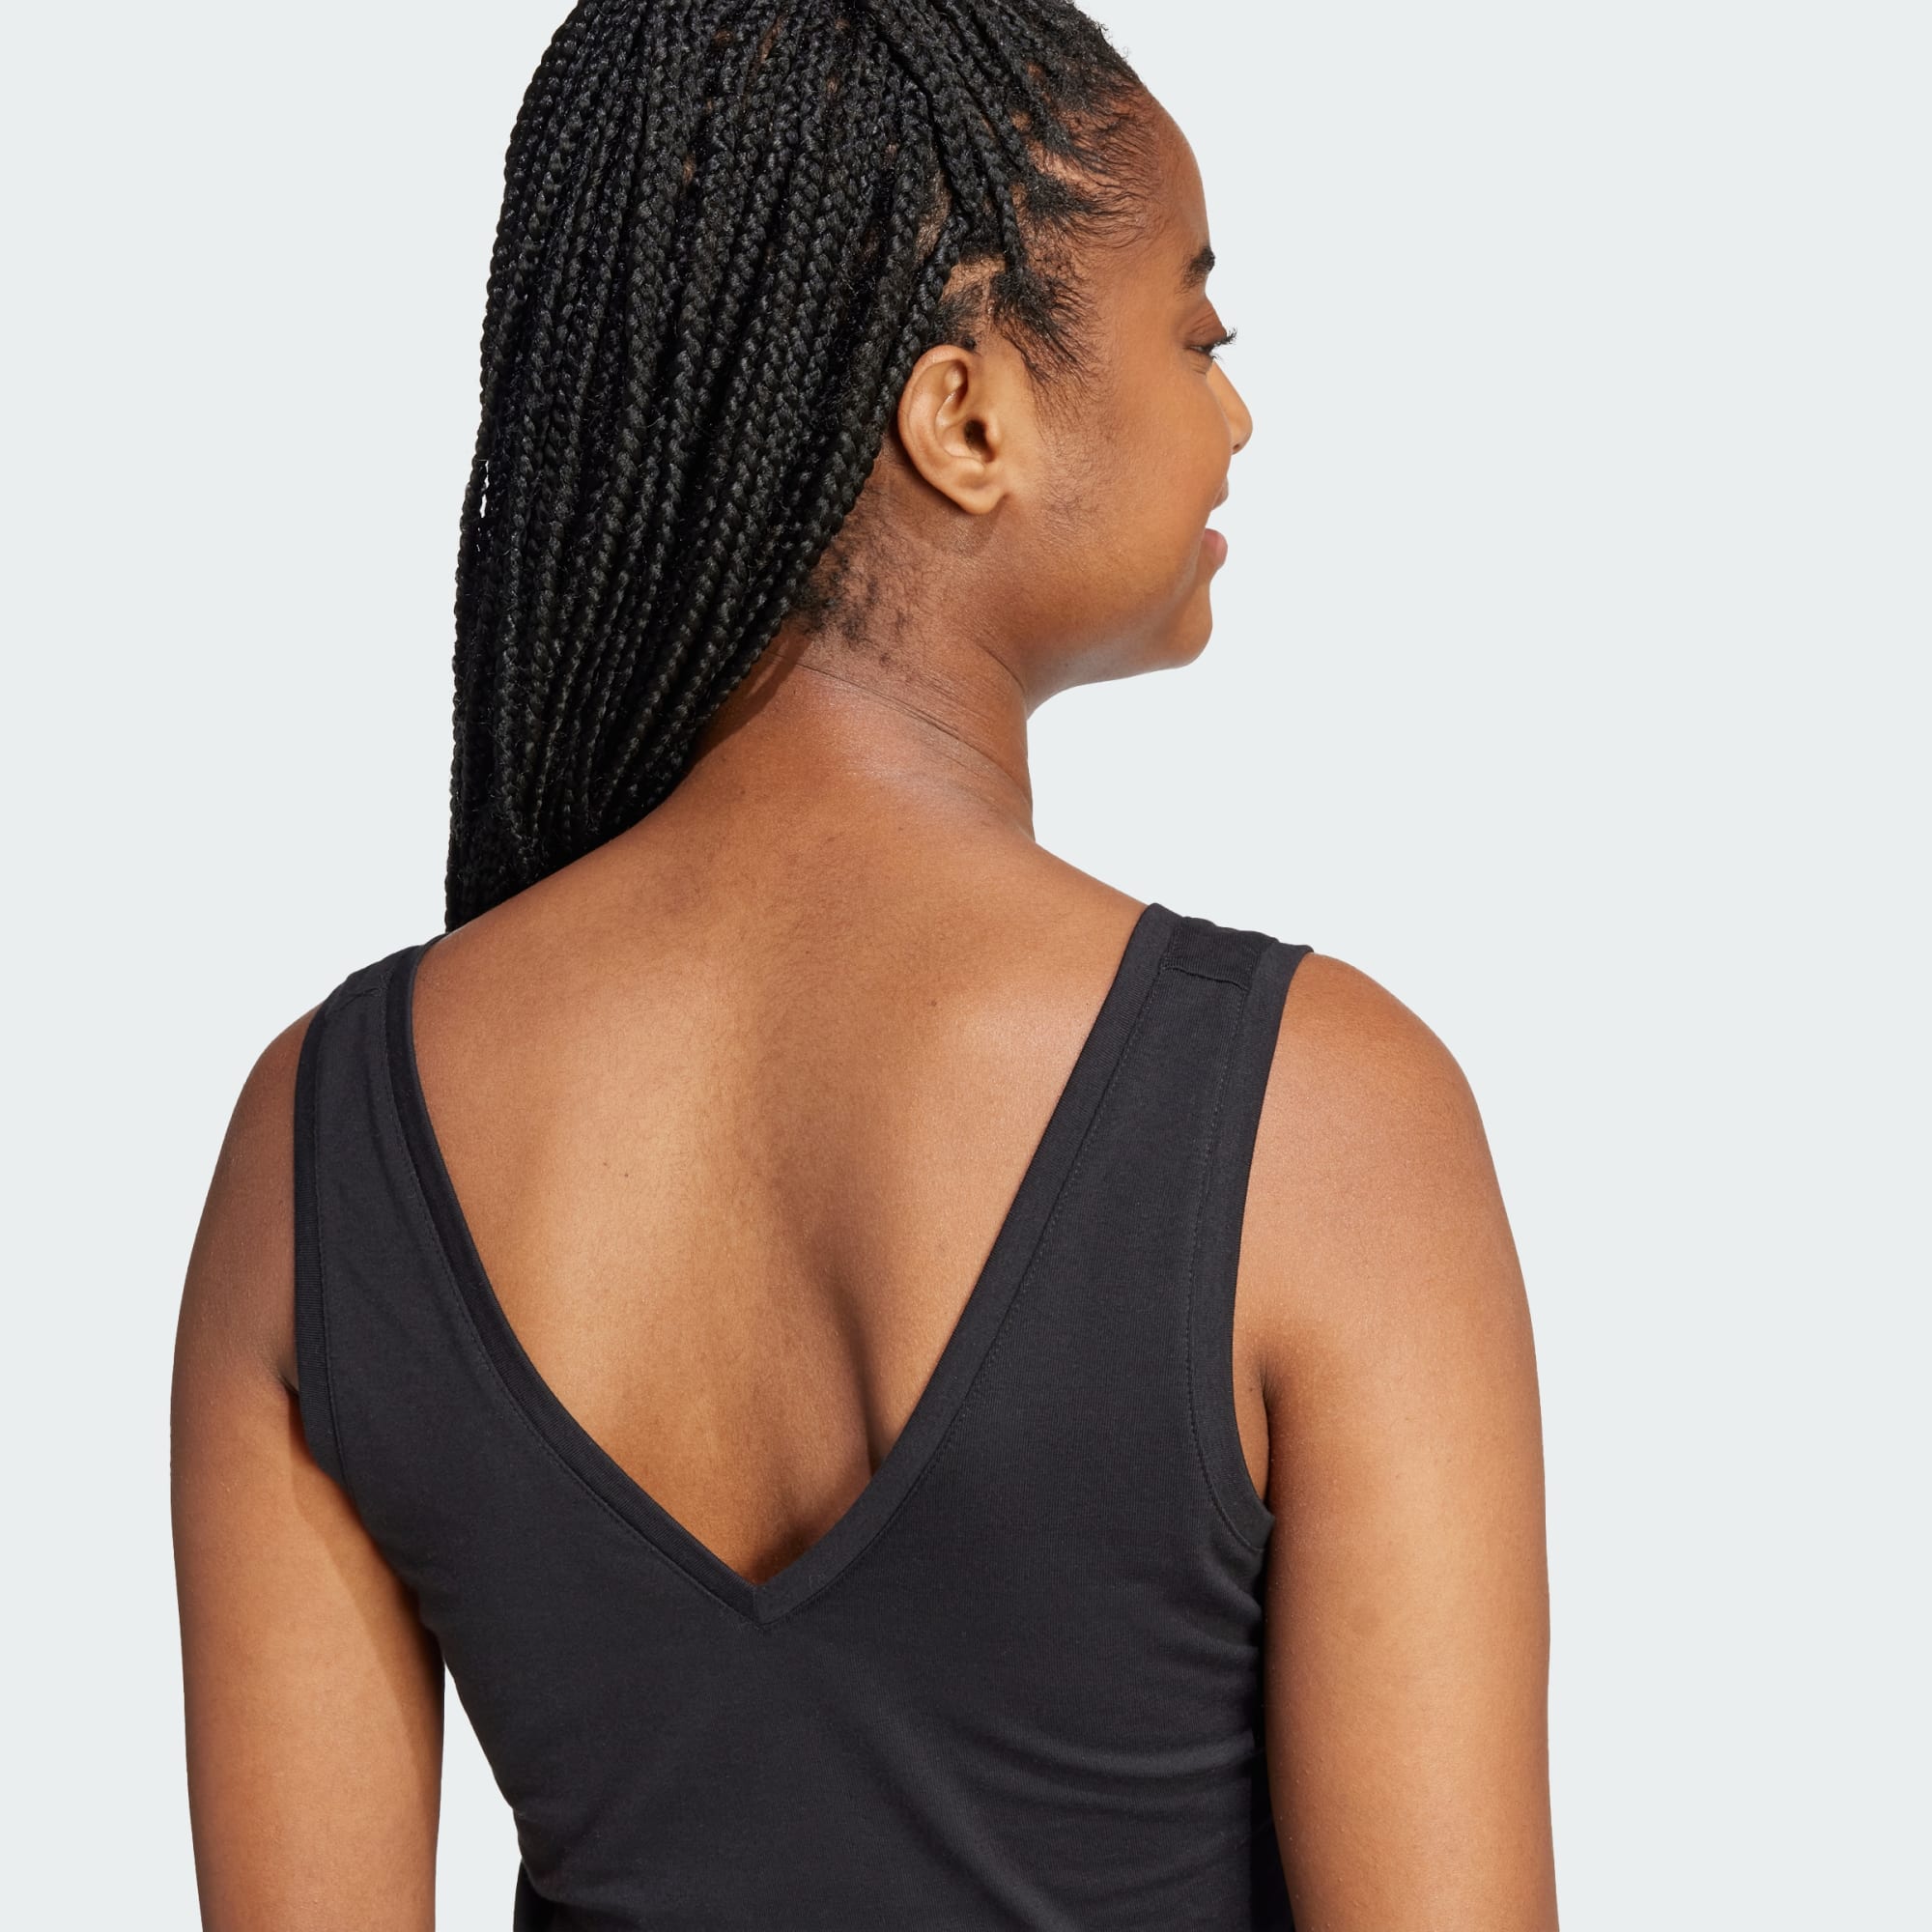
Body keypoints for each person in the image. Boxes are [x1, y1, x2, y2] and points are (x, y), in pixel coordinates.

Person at [171, 1, 1556, 1925]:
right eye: (1199, 336)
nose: (1233, 417)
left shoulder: (317, 1151)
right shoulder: (1322, 1119)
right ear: (965, 417)